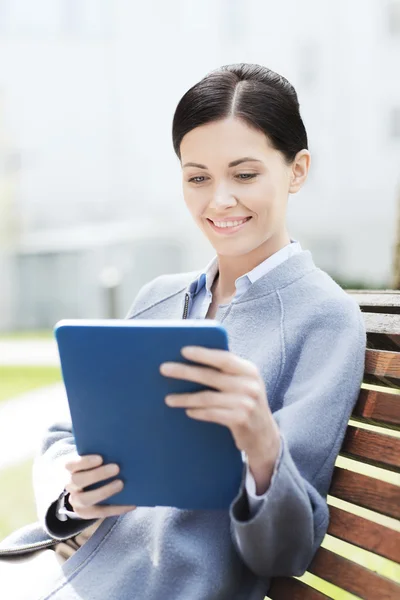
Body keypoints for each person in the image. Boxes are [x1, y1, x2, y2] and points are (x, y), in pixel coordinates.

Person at [0, 63, 366, 600]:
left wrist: (263, 447)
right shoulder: (160, 297)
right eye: (198, 177)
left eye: (244, 175)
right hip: (60, 564)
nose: (218, 200)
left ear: (297, 170)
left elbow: (283, 554)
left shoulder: (324, 321)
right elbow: (64, 435)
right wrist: (73, 497)